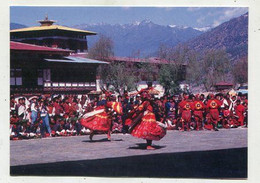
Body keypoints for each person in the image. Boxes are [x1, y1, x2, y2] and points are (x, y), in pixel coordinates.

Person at [127, 82, 167, 150]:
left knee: (149, 130)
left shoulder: (149, 101)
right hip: (148, 116)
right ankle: (148, 145)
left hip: (149, 115)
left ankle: (148, 144)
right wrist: (135, 109)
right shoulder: (146, 102)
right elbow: (141, 108)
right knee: (149, 130)